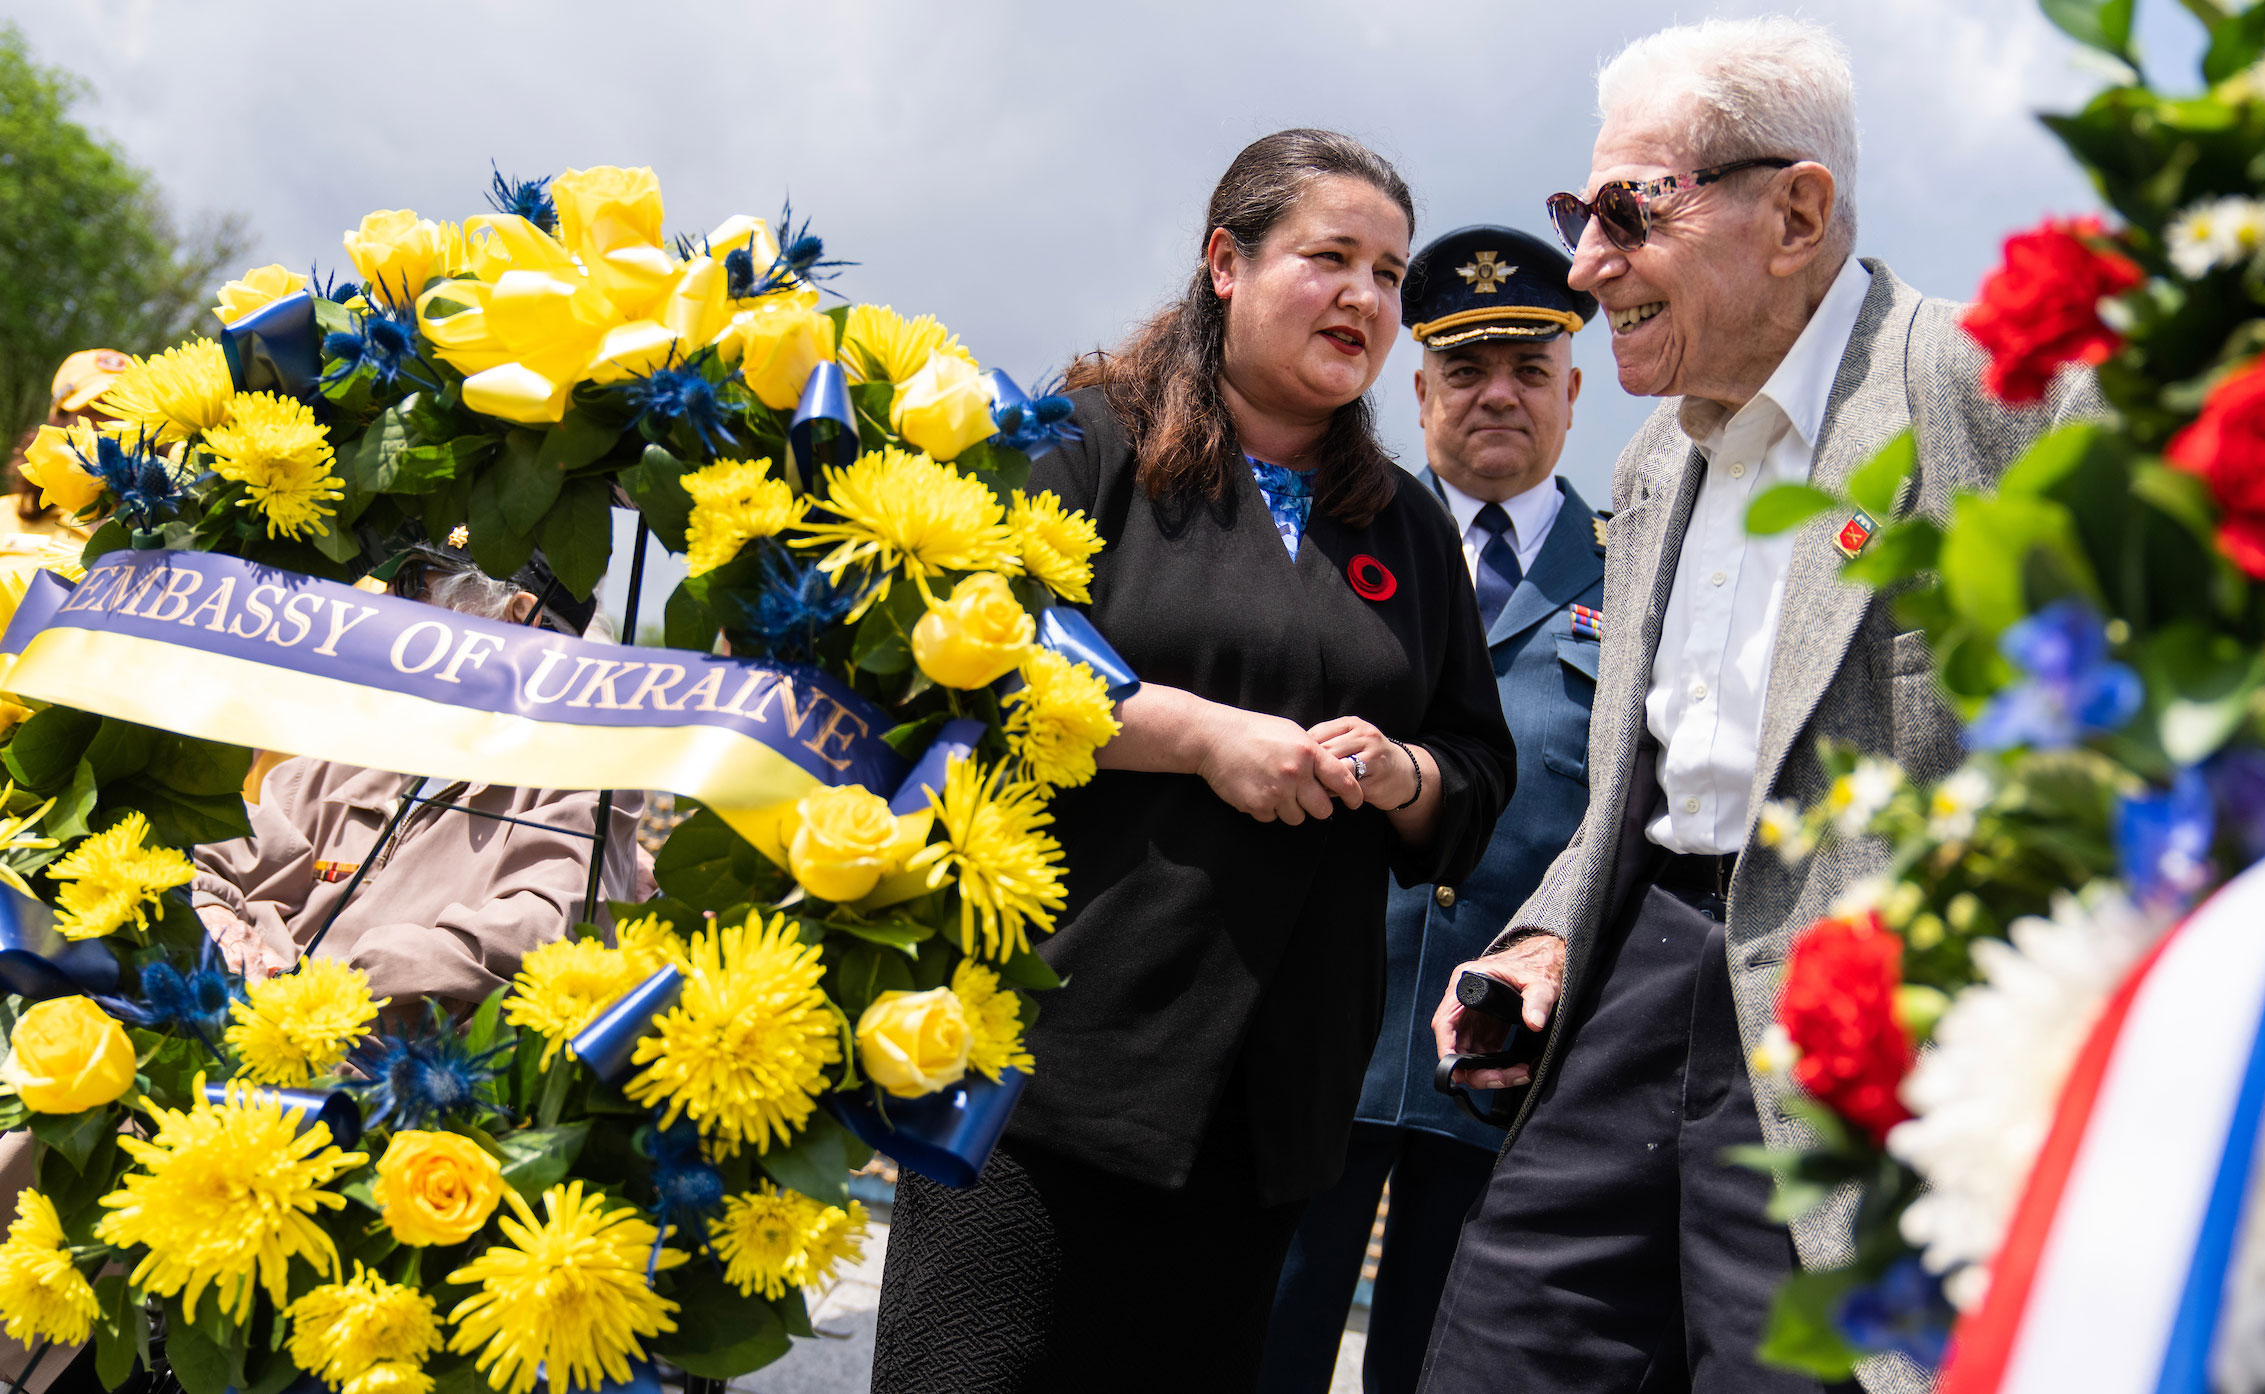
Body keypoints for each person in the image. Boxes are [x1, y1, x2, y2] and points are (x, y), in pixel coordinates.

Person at [1418, 20, 2101, 1394]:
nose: (1588, 262)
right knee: (1497, 1362)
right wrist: (1550, 935)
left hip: (1860, 1033)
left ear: (1795, 215)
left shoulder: (2004, 399)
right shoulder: (1662, 458)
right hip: (1636, 983)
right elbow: (1651, 788)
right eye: (1577, 212)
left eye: (1628, 211)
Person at [871, 129, 1515, 1394]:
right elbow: (963, 660)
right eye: (1330, 258)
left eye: (1388, 275)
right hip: (1042, 1061)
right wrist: (1197, 736)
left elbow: (1476, 764)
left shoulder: (1410, 523)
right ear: (1225, 261)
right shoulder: (1082, 442)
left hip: (1266, 1104)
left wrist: (1402, 774)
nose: (1366, 299)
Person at [1259, 224, 1604, 1394]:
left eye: (1526, 368)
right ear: (1419, 389)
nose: (1496, 394)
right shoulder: (1335, 544)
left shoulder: (1639, 571)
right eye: (1464, 369)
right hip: (1324, 1043)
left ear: (1574, 387)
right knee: (1266, 1353)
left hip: (1518, 1073)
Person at [192, 539, 652, 1005]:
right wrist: (221, 924)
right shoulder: (353, 749)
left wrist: (325, 988)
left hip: (390, 1064)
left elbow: (542, 936)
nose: (384, 604)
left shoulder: (583, 773)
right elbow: (211, 863)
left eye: (414, 584)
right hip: (247, 1036)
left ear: (522, 618)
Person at [2, 349, 129, 541]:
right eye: (95, 409)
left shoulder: (181, 521)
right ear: (56, 420)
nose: (115, 422)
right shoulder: (5, 518)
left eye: (126, 408)